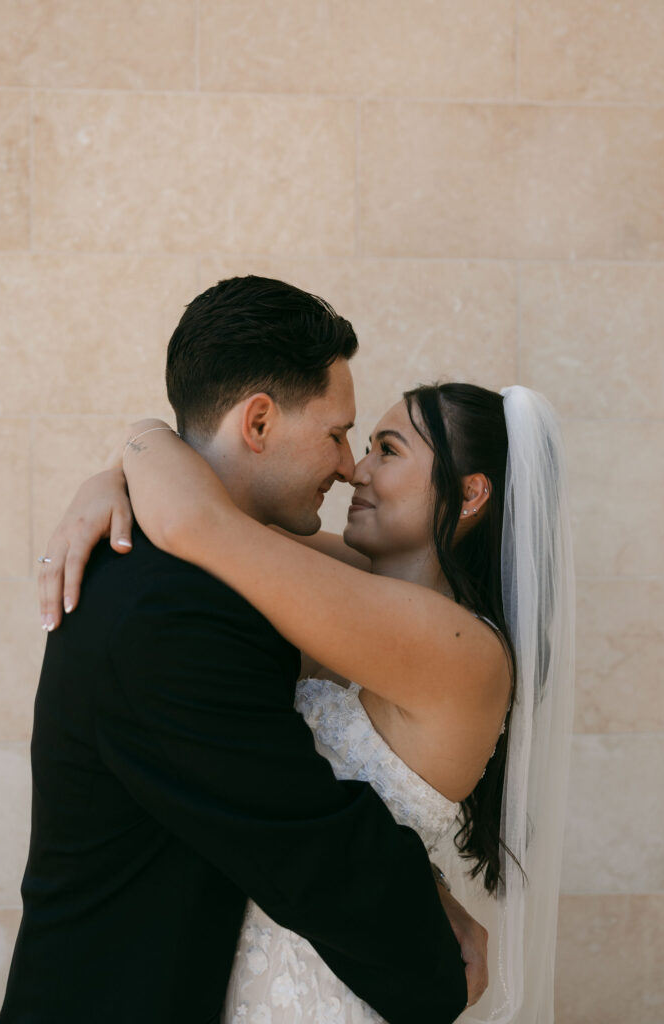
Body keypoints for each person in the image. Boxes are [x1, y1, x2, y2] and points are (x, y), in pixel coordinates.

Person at [34, 293, 575, 1020]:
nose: (352, 467)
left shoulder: (452, 644)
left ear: (468, 493)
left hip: (319, 987)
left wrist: (137, 445)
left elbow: (199, 520)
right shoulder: (329, 585)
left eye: (385, 449)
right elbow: (203, 520)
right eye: (348, 437)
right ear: (259, 420)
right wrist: (116, 472)